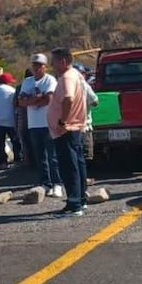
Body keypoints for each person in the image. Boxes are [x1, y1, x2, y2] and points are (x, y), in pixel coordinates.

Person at [48, 49, 89, 217]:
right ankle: (80, 198)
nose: (52, 65)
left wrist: (62, 121)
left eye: (54, 61)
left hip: (67, 129)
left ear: (63, 61)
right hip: (74, 127)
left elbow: (69, 98)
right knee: (77, 164)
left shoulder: (67, 78)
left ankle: (74, 204)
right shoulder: (76, 75)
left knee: (69, 166)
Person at [19, 54, 64, 197]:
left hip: (48, 122)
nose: (36, 68)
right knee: (40, 156)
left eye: (39, 65)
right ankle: (45, 183)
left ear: (45, 66)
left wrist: (31, 101)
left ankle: (57, 183)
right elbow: (20, 101)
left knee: (53, 156)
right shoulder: (27, 81)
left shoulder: (49, 80)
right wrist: (38, 98)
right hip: (34, 124)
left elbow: (49, 99)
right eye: (34, 65)